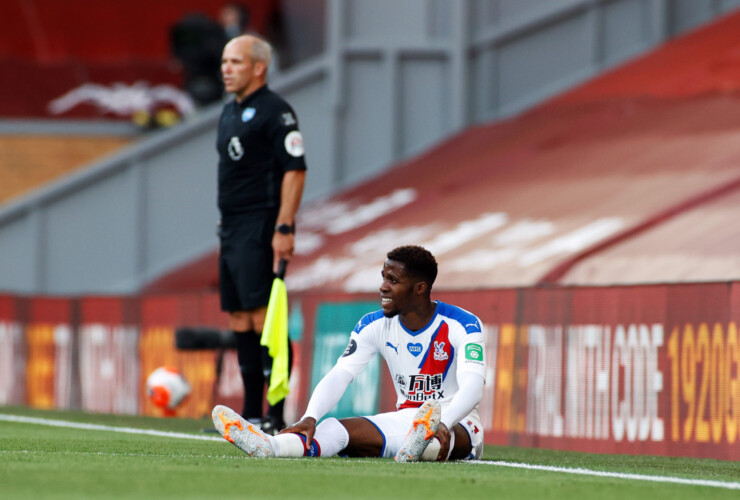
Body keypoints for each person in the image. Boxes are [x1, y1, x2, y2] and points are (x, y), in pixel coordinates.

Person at [213, 245, 487, 461]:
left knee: (437, 440)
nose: (383, 286)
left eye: (393, 280)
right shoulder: (373, 325)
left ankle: (421, 446)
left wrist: (445, 421)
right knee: (333, 429)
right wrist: (310, 416)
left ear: (420, 288)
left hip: (459, 422)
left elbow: (473, 386)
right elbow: (340, 374)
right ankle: (271, 446)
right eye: (383, 277)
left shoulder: (463, 324)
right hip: (407, 419)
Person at [217, 34, 307, 434]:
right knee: (239, 316)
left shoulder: (276, 111)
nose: (226, 69)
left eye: (235, 62)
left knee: (262, 317)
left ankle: (275, 413)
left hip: (260, 223)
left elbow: (295, 168)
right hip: (230, 226)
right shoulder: (228, 111)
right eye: (224, 61)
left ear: (258, 68)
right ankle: (250, 413)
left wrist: (283, 225)